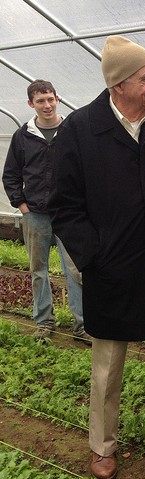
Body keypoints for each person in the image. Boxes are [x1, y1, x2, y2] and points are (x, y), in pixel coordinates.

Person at [48, 35, 145, 479]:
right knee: (107, 369)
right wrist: (95, 257)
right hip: (112, 272)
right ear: (119, 84)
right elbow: (65, 206)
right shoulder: (79, 131)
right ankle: (103, 446)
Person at [2, 79, 90, 345]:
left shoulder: (71, 131)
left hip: (68, 213)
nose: (47, 105)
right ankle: (44, 322)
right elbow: (11, 174)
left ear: (57, 99)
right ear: (31, 104)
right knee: (38, 269)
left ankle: (82, 325)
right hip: (36, 213)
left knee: (74, 268)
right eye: (40, 100)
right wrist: (22, 204)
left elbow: (86, 170)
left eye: (50, 99)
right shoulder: (23, 136)